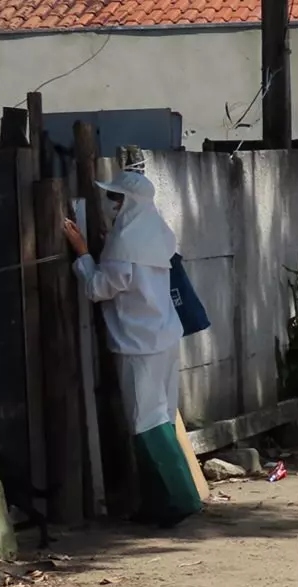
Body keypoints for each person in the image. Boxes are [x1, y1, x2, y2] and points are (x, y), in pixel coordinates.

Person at [63, 170, 202, 528]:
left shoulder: (125, 242)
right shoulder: (156, 231)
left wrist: (82, 254)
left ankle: (179, 499)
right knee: (161, 417)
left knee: (145, 424)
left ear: (130, 202)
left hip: (137, 344)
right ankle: (160, 502)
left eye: (117, 198)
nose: (112, 204)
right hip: (164, 337)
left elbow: (98, 288)